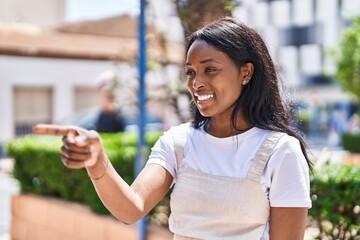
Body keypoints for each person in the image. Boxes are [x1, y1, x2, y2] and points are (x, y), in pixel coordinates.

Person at [33, 17, 312, 240]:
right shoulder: (179, 142)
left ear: (246, 73)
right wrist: (97, 161)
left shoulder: (281, 152)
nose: (196, 82)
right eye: (190, 72)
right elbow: (132, 208)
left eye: (209, 69)